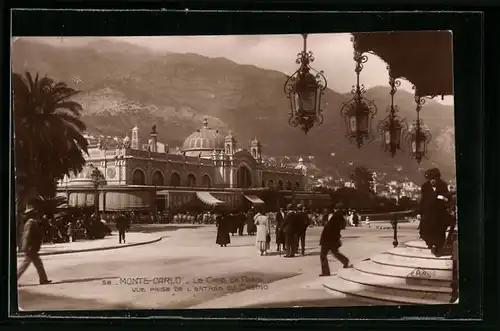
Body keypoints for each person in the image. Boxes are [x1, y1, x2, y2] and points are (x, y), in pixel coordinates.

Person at [420, 168, 451, 256]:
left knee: (440, 230)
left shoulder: (443, 185)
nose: (432, 181)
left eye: (434, 179)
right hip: (429, 212)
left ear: (437, 178)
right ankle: (431, 244)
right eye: (430, 179)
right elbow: (423, 200)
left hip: (439, 212)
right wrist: (420, 212)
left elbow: (446, 197)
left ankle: (438, 247)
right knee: (426, 229)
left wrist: (441, 198)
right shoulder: (425, 186)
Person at [17, 205, 52, 285]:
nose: (36, 213)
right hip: (31, 248)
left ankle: (43, 279)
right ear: (31, 214)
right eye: (34, 213)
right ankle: (43, 280)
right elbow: (27, 235)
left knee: (37, 265)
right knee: (25, 266)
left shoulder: (33, 222)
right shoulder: (30, 223)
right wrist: (25, 247)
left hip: (33, 248)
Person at [319, 203, 352, 276]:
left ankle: (326, 272)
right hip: (331, 238)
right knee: (335, 252)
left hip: (329, 239)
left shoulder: (336, 216)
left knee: (323, 255)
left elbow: (332, 228)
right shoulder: (335, 216)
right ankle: (345, 261)